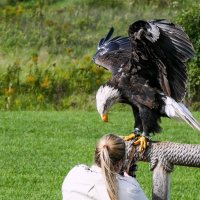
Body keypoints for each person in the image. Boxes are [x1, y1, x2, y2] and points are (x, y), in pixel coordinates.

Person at [62, 133, 148, 200]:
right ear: (119, 163)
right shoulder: (130, 189)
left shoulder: (74, 174)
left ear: (96, 153)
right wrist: (131, 182)